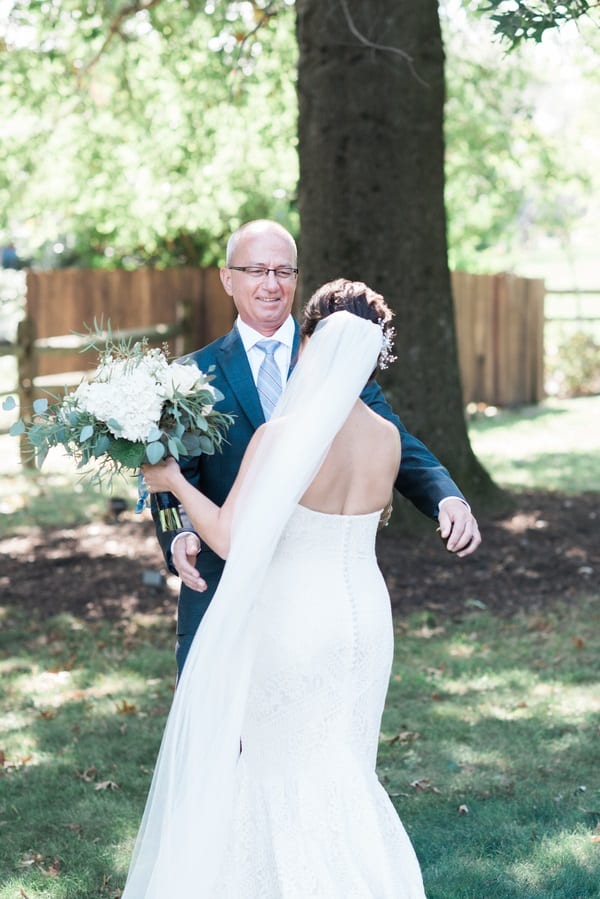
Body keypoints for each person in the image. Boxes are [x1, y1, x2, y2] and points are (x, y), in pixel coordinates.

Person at [124, 284, 427, 897]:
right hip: (364, 623)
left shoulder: (283, 436)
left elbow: (231, 538)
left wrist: (174, 482)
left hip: (293, 624)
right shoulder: (388, 439)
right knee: (343, 771)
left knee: (279, 771)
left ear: (310, 342)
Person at [152, 219, 480, 675]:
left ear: (297, 279)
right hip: (220, 582)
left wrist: (446, 495)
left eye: (284, 271)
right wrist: (179, 535)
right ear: (228, 278)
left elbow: (393, 439)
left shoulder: (335, 355)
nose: (271, 284)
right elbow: (170, 476)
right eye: (256, 270)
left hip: (312, 595)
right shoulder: (188, 375)